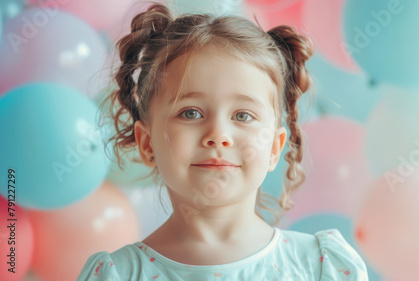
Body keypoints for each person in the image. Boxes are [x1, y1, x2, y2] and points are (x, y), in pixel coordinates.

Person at [77, 2, 368, 280]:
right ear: (147, 143)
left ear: (274, 148)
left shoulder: (321, 268)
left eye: (242, 116)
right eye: (190, 113)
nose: (218, 135)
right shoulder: (118, 275)